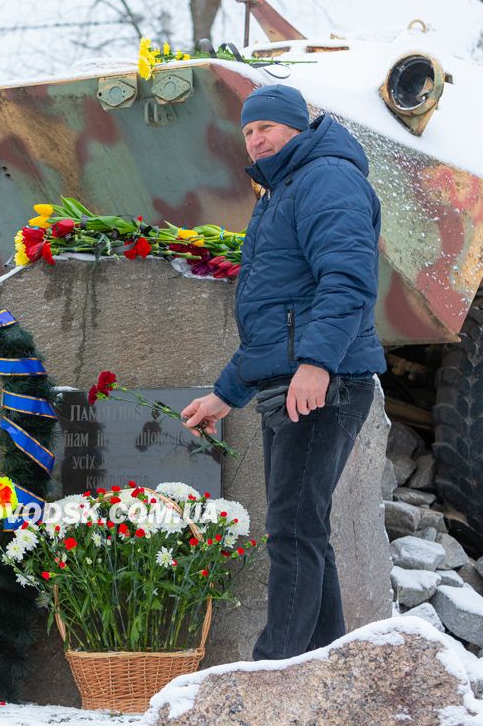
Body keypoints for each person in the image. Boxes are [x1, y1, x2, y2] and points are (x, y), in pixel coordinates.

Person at [181, 84, 386, 661]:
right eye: (248, 131)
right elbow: (277, 322)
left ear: (298, 127)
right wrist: (226, 394)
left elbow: (347, 281)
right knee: (303, 527)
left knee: (293, 529)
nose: (256, 138)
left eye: (267, 127)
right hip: (294, 382)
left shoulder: (328, 179)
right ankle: (328, 663)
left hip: (326, 382)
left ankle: (275, 668)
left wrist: (318, 363)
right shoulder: (283, 190)